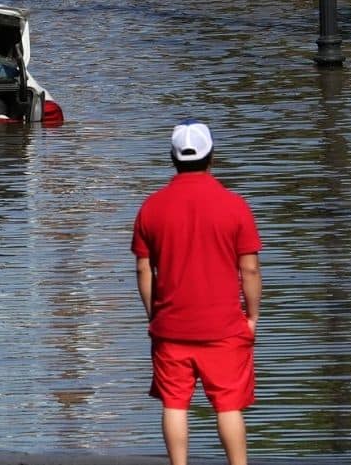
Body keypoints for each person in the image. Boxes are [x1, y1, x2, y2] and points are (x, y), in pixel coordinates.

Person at [130, 119, 263, 465]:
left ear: (172, 159)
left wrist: (154, 315)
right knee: (228, 406)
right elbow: (249, 269)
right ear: (211, 157)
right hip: (224, 326)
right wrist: (252, 317)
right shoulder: (235, 206)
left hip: (171, 326)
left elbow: (144, 269)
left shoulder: (151, 208)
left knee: (175, 403)